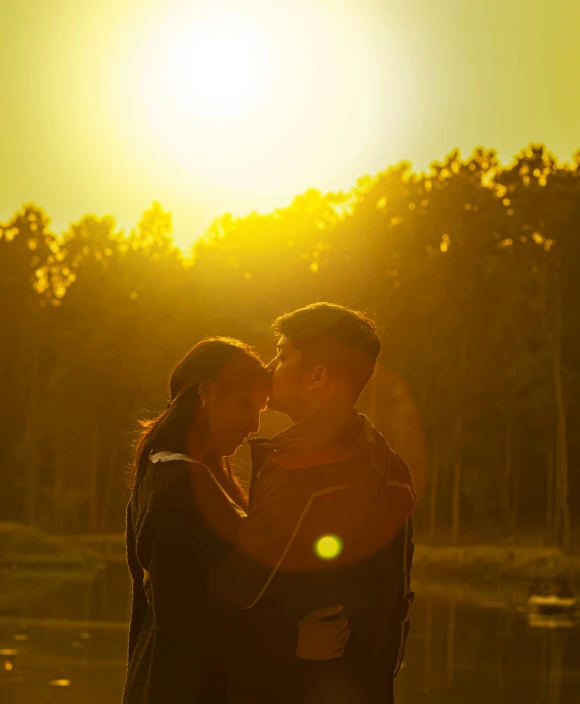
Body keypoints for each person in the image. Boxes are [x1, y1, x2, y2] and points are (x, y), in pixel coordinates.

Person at [122, 337, 350, 704]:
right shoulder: (176, 487)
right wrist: (292, 640)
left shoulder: (180, 472)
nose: (253, 423)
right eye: (245, 405)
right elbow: (180, 615)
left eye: (260, 410)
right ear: (207, 392)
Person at [214, 304, 415, 704]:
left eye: (284, 355)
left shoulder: (299, 469)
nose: (270, 368)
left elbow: (237, 595)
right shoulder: (392, 467)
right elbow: (395, 605)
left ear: (318, 376)